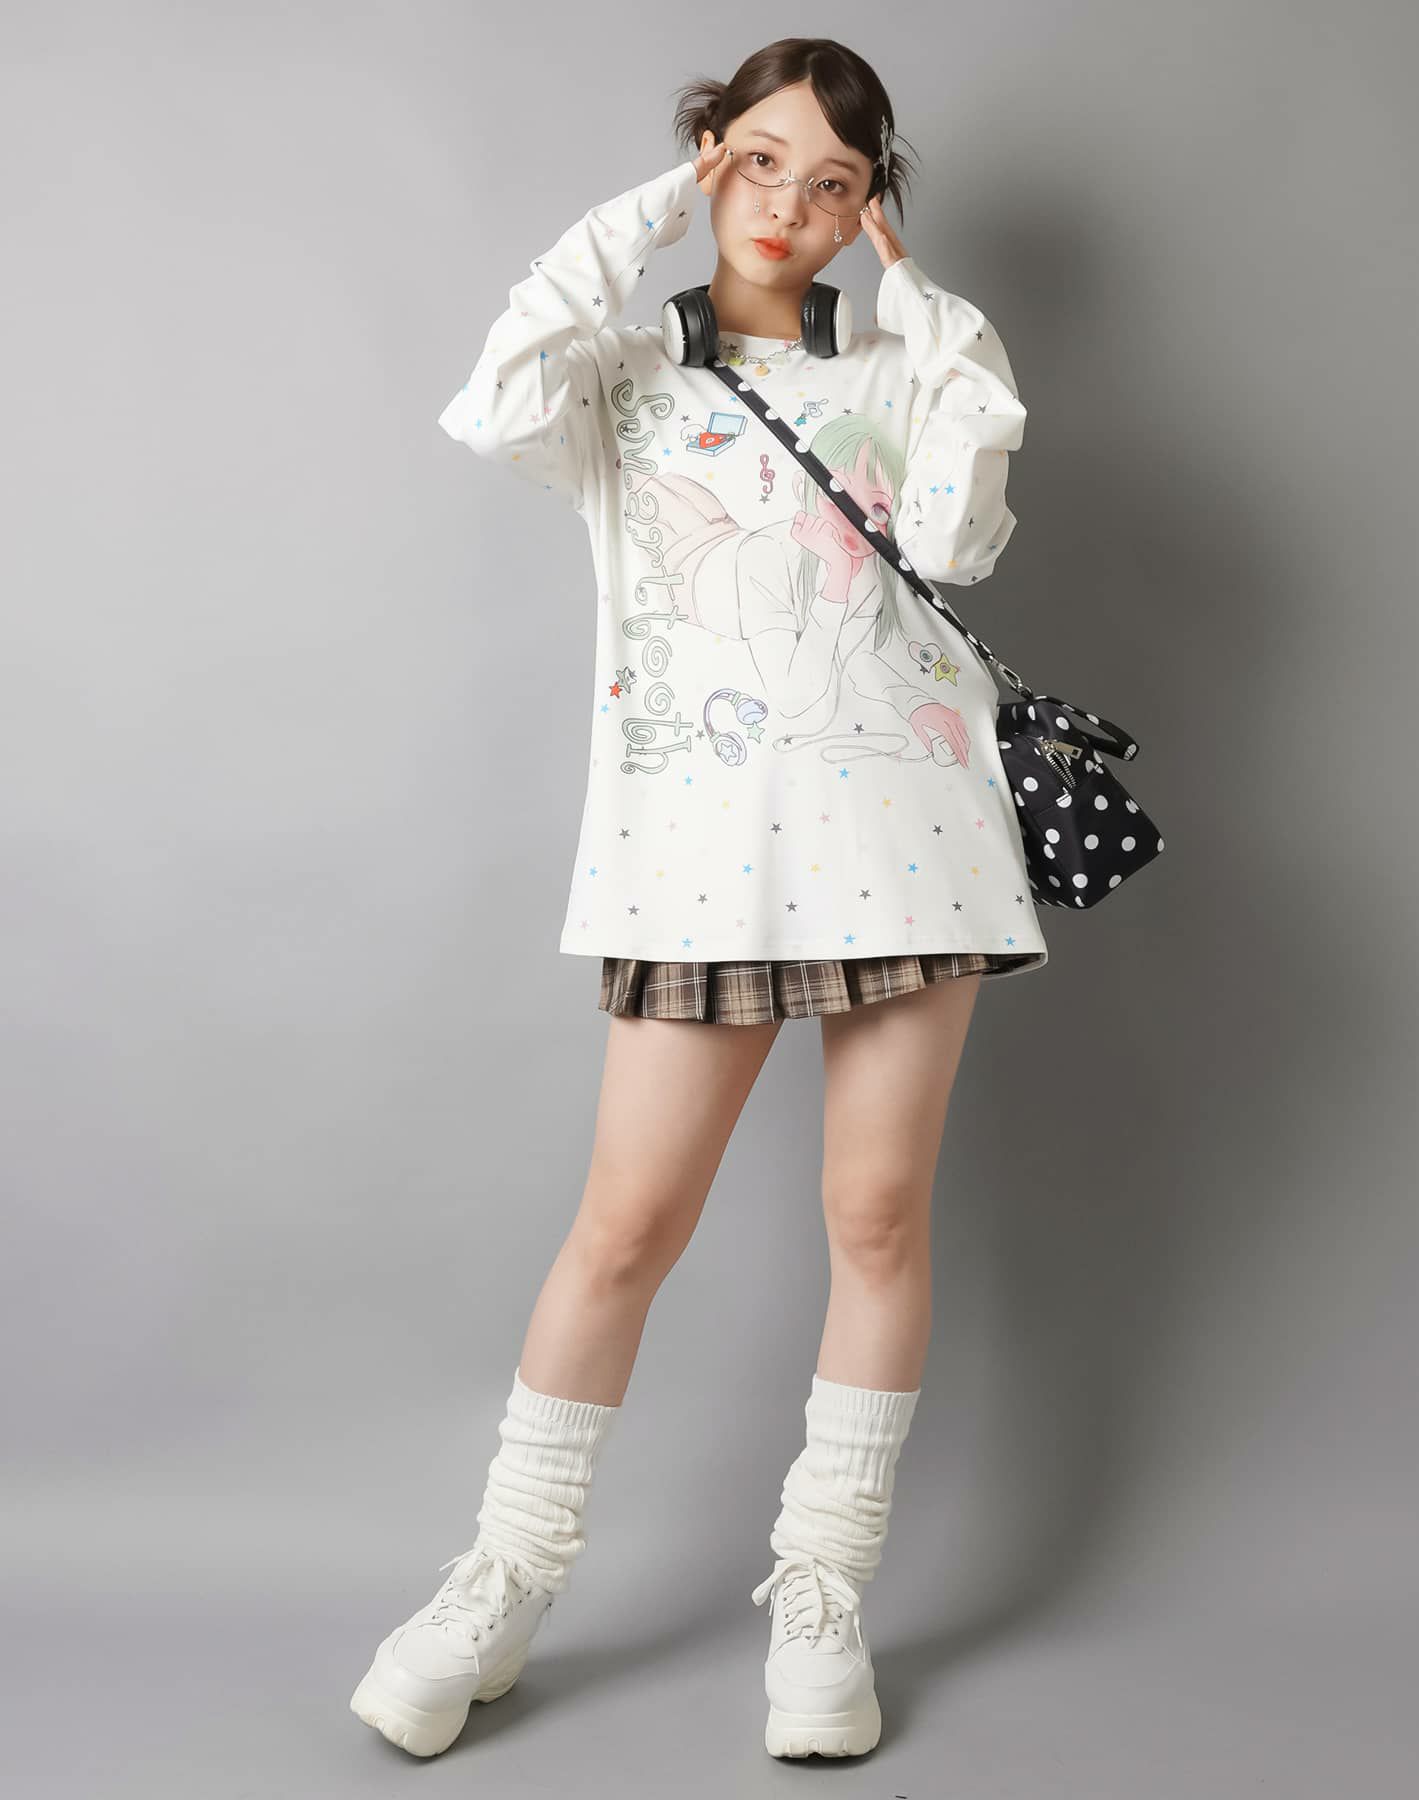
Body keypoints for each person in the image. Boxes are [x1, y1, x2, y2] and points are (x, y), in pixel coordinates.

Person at [350, 35, 1048, 1763]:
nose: (788, 207)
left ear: (869, 208)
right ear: (708, 157)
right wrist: (657, 206)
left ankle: (823, 1593)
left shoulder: (899, 369)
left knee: (875, 1218)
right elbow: (493, 396)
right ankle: (506, 1577)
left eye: (834, 184)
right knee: (624, 1229)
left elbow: (959, 538)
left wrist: (929, 314)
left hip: (907, 835)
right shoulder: (621, 374)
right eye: (758, 163)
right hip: (695, 856)